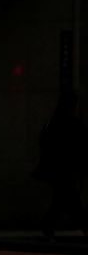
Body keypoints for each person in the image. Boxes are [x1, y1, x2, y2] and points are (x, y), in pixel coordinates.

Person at [35, 92, 88, 238]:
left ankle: (48, 225)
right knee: (70, 200)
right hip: (64, 169)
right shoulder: (71, 123)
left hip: (55, 169)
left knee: (62, 199)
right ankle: (83, 225)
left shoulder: (52, 122)